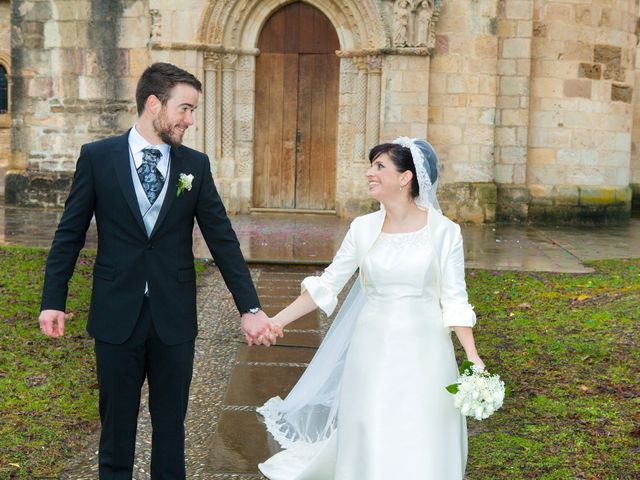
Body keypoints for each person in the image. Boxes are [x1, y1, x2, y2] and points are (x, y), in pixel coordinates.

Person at [38, 62, 274, 479]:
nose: (190, 120)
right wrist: (53, 299)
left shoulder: (194, 166)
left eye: (193, 111)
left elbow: (222, 239)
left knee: (171, 431)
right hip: (116, 314)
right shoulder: (98, 157)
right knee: (116, 430)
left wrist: (249, 307)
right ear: (153, 104)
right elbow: (69, 232)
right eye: (184, 109)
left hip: (174, 316)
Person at [257, 137, 484, 479]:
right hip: (372, 345)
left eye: (379, 167)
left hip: (426, 348)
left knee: (421, 423)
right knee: (372, 419)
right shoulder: (362, 229)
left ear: (406, 178)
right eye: (371, 166)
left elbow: (454, 299)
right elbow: (328, 284)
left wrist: (472, 356)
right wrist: (274, 321)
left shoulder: (445, 232)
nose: (369, 174)